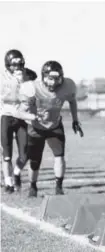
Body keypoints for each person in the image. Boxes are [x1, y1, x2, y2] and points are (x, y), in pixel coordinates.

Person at [19, 61, 84, 197]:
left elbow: (72, 101)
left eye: (57, 79)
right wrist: (31, 115)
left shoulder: (68, 86)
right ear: (43, 77)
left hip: (54, 126)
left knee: (59, 157)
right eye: (50, 78)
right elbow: (21, 111)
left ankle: (59, 188)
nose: (53, 83)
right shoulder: (32, 88)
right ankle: (33, 186)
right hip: (36, 127)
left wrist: (75, 120)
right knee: (35, 161)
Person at [0, 49, 37, 193]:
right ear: (8, 65)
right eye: (13, 65)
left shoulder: (29, 75)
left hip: (22, 117)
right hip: (7, 116)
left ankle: (16, 173)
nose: (17, 67)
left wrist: (23, 82)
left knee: (25, 153)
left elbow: (33, 92)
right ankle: (8, 183)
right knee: (7, 155)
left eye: (19, 64)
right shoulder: (2, 77)